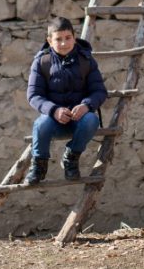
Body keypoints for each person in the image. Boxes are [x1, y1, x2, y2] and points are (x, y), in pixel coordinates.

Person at [23, 16, 107, 184]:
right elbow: (34, 95)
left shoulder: (86, 60)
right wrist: (54, 110)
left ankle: (71, 158)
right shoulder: (42, 62)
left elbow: (99, 91)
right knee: (40, 124)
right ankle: (38, 167)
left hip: (79, 122)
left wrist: (86, 105)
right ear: (49, 40)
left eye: (68, 38)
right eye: (58, 39)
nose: (63, 43)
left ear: (74, 38)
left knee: (91, 119)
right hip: (53, 121)